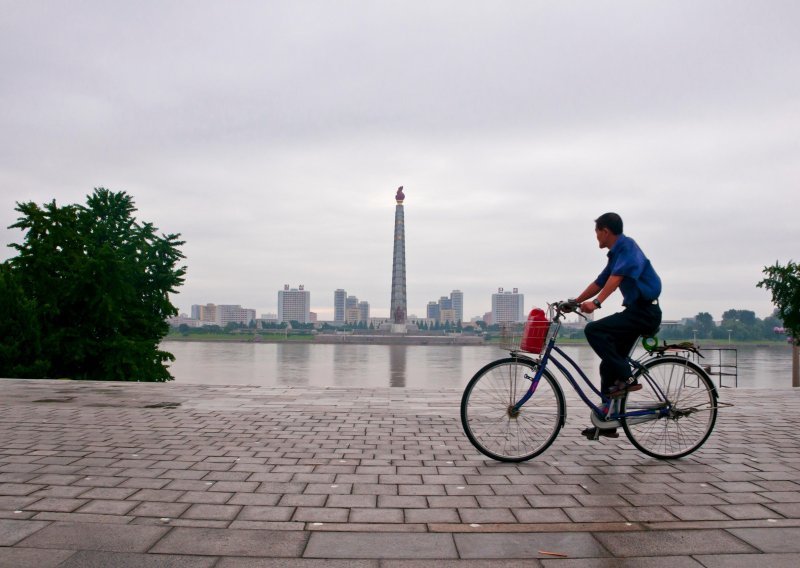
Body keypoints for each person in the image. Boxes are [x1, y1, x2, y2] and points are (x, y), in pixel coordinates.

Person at [571, 212, 662, 440]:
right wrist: (575, 301)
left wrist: (597, 303)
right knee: (607, 367)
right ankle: (609, 421)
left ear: (605, 231)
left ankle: (627, 376)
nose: (596, 238)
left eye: (596, 233)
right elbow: (600, 281)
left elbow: (615, 280)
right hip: (636, 311)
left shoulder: (628, 248)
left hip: (645, 312)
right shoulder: (616, 253)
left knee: (594, 330)